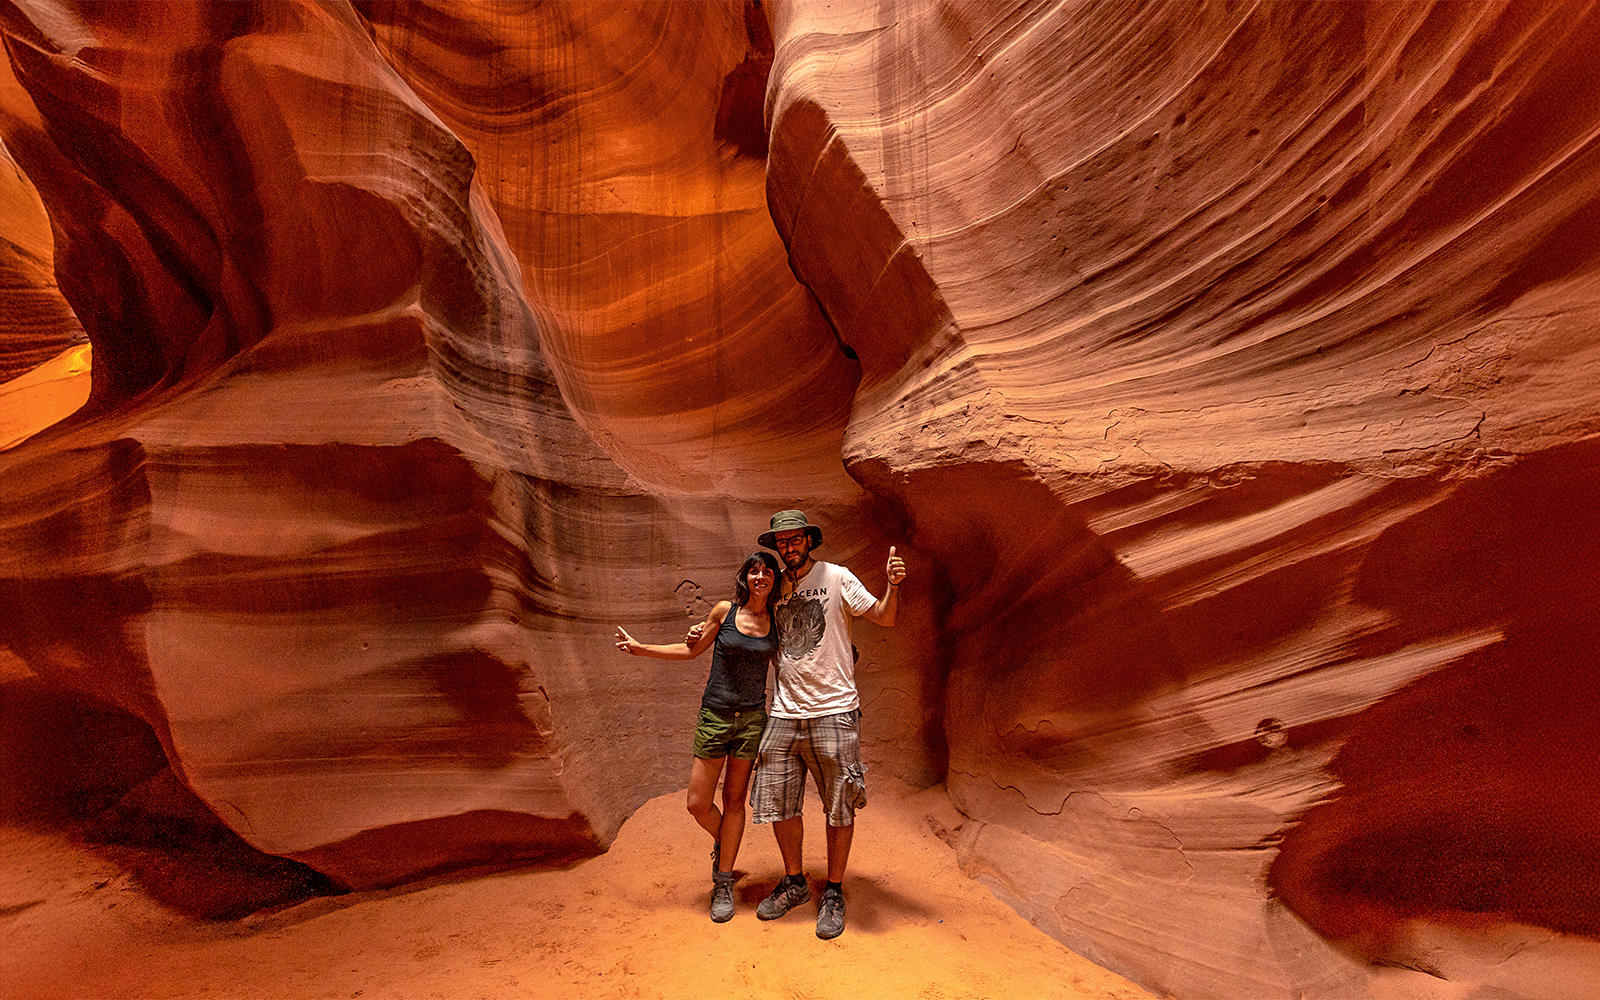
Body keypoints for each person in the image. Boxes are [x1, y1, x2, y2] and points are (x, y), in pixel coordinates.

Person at [694, 509, 906, 939]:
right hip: (785, 713)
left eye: (796, 540)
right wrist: (705, 627)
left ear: (809, 540)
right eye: (782, 542)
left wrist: (892, 585)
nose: (789, 547)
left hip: (834, 708)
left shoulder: (835, 576)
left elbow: (884, 615)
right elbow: (742, 616)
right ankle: (794, 882)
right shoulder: (774, 587)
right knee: (778, 802)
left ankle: (833, 890)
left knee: (839, 802)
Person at [614, 550, 782, 922]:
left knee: (735, 800)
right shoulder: (724, 612)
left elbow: (793, 663)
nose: (760, 577)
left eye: (767, 572)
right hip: (716, 716)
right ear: (746, 577)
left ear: (774, 580)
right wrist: (642, 649)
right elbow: (691, 650)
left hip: (753, 719)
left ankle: (723, 882)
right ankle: (725, 844)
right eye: (754, 571)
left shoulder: (777, 621)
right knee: (697, 803)